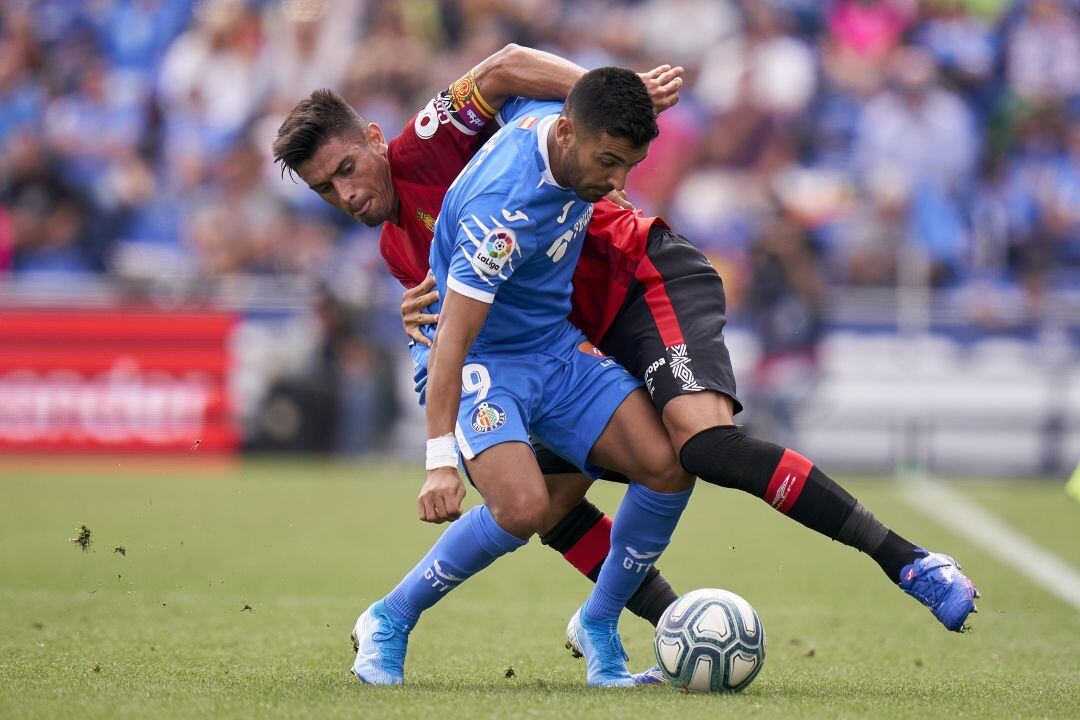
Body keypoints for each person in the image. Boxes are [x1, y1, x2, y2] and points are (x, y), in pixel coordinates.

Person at [273, 45, 978, 681]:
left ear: (371, 141)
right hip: (558, 336)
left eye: (346, 171)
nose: (347, 194)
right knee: (543, 505)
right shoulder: (405, 246)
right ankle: (628, 625)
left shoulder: (430, 143)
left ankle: (906, 560)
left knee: (698, 448)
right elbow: (453, 327)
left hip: (636, 280)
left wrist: (611, 97)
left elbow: (504, 68)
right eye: (325, 191)